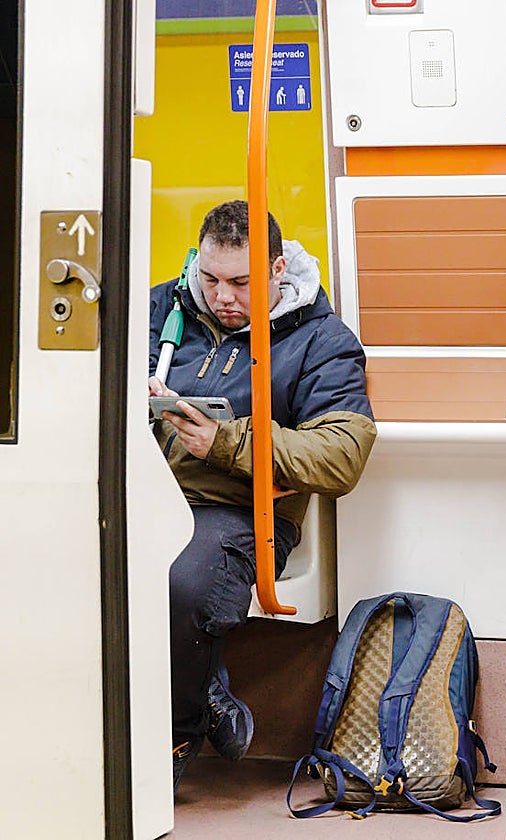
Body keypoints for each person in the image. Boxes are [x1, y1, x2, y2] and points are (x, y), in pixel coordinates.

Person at [148, 200, 377, 789]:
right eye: (209, 279)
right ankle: (209, 695)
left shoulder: (321, 340)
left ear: (277, 270)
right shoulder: (158, 310)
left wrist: (225, 443)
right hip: (146, 494)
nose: (221, 297)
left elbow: (342, 454)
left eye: (240, 283)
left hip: (242, 512)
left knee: (182, 581)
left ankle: (178, 730)